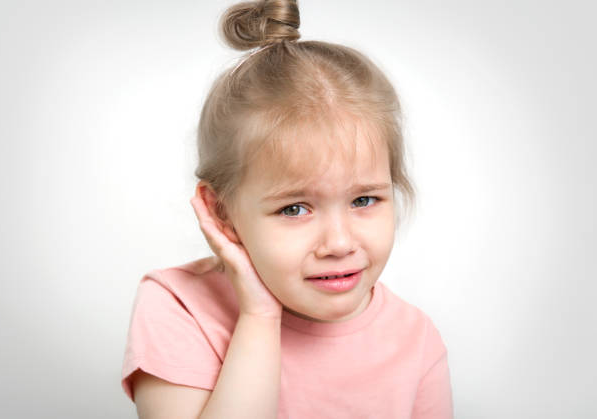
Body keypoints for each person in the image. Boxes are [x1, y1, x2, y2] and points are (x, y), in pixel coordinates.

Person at [120, 1, 453, 417]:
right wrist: (258, 315)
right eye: (295, 209)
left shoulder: (415, 338)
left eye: (363, 200)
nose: (339, 243)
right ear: (221, 213)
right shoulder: (179, 306)